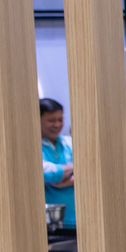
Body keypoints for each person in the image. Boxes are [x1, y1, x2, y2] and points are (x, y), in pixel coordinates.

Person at [39, 98, 76, 229]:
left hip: (76, 219)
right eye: (51, 120)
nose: (57, 125)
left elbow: (92, 170)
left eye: (60, 120)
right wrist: (74, 169)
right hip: (47, 223)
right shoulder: (30, 146)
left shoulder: (69, 142)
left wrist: (66, 180)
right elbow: (44, 172)